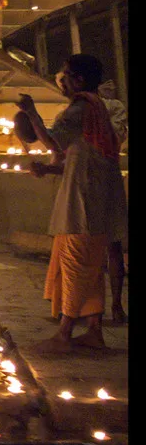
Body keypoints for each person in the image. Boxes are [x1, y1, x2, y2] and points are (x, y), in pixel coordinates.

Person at [16, 54, 126, 351]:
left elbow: (54, 143)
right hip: (92, 196)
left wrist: (31, 114)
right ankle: (94, 330)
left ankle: (65, 334)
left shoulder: (80, 108)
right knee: (89, 267)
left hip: (83, 202)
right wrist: (50, 168)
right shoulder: (97, 107)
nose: (61, 82)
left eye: (65, 76)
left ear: (78, 80)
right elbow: (83, 156)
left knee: (76, 263)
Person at [97, 78, 128, 322]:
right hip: (86, 180)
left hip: (106, 176)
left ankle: (116, 304)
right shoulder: (80, 106)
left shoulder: (114, 107)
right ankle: (89, 308)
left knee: (113, 244)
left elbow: (117, 137)